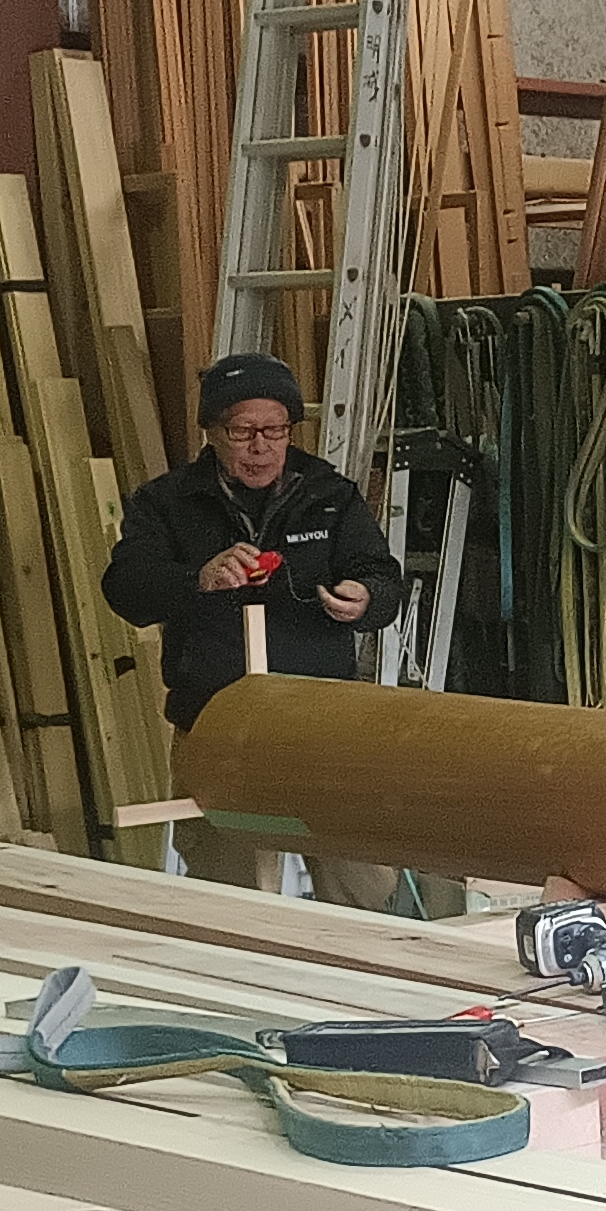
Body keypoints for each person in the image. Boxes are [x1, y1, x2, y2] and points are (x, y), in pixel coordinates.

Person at [102, 351, 406, 906]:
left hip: (321, 721)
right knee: (235, 889)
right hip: (217, 723)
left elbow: (381, 576)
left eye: (275, 430)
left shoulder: (328, 497)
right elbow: (126, 588)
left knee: (362, 881)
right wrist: (197, 578)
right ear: (212, 431)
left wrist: (366, 598)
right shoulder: (168, 503)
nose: (260, 447)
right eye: (242, 431)